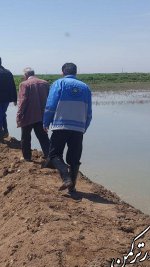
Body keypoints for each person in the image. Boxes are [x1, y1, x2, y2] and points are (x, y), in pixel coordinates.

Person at [43, 63, 92, 197]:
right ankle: (72, 189)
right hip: (78, 127)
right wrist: (84, 127)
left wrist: (46, 121)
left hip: (61, 125)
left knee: (54, 154)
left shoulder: (59, 84)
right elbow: (89, 112)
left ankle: (66, 178)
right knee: (74, 158)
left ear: (62, 72)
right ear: (76, 72)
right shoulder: (85, 87)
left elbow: (51, 105)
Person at [16, 67, 50, 161]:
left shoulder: (24, 84)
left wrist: (19, 115)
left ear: (25, 75)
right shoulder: (45, 83)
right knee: (43, 137)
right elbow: (49, 99)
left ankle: (27, 158)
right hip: (41, 116)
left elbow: (22, 101)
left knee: (25, 137)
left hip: (28, 116)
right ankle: (50, 156)